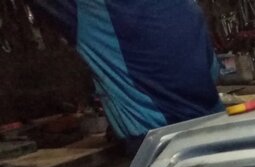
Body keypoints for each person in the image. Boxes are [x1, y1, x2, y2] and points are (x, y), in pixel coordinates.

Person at [27, 0, 223, 149]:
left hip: (156, 141)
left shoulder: (92, 9)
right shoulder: (187, 5)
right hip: (215, 128)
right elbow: (212, 71)